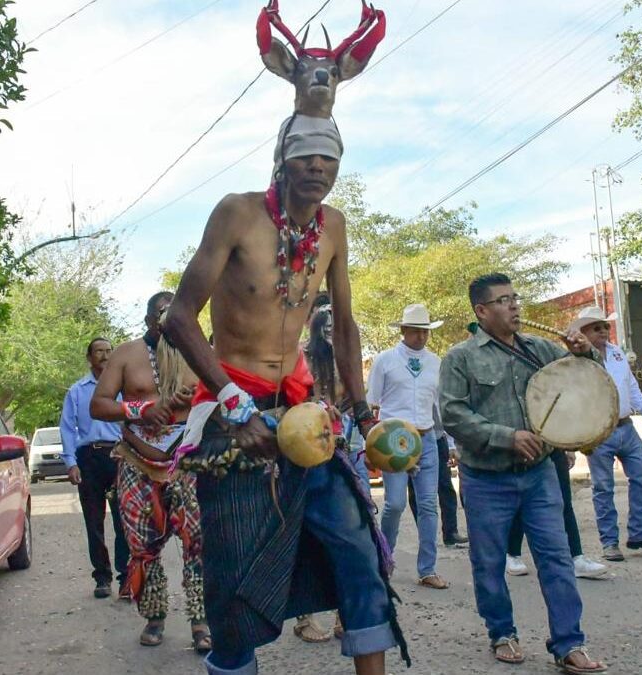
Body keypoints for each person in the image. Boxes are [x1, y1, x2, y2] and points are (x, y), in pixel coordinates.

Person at [162, 114, 408, 675]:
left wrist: (364, 414)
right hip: (232, 415)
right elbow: (180, 317)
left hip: (304, 415)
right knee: (231, 579)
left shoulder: (334, 227)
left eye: (329, 158)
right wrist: (232, 402)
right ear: (283, 159)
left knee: (358, 549)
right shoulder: (236, 213)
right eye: (306, 156)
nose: (317, 167)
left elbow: (345, 326)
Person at [440, 273, 607, 673]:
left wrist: (586, 354)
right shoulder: (460, 358)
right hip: (485, 478)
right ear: (481, 311)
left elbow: (585, 381)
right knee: (489, 562)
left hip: (539, 475)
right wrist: (505, 436)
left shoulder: (543, 349)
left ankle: (569, 643)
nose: (514, 306)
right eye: (502, 300)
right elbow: (453, 414)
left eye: (515, 298)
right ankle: (501, 632)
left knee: (556, 558)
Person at [90, 292, 211, 651]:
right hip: (137, 462)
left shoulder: (200, 351)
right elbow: (99, 404)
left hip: (187, 460)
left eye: (177, 314)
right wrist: (140, 409)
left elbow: (223, 394)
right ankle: (155, 616)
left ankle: (201, 621)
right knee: (142, 545)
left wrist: (200, 398)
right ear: (148, 321)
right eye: (162, 314)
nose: (170, 320)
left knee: (198, 543)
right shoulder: (127, 354)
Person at [293, 298, 372, 643]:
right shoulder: (300, 358)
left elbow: (357, 403)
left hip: (344, 452)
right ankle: (304, 617)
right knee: (306, 535)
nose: (329, 331)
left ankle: (347, 614)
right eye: (324, 326)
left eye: (333, 327)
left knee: (354, 533)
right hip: (306, 452)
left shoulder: (346, 363)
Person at [574, 307, 642, 562]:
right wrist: (583, 435)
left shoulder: (617, 354)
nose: (603, 331)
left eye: (605, 326)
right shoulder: (577, 361)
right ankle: (610, 542)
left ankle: (639, 533)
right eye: (596, 328)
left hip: (626, 426)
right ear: (583, 332)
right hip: (598, 430)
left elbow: (631, 384)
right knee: (603, 487)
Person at [367, 303, 449, 590]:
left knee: (428, 503)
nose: (421, 337)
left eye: (425, 332)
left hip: (426, 438)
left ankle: (428, 568)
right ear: (403, 331)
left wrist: (448, 443)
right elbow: (372, 401)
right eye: (415, 331)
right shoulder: (385, 361)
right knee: (395, 503)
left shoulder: (435, 363)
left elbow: (440, 406)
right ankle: (383, 559)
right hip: (393, 440)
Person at [59, 337, 128, 599]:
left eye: (109, 351)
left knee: (124, 521)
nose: (105, 355)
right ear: (89, 357)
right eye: (99, 351)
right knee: (93, 521)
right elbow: (67, 427)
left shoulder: (124, 388)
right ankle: (102, 577)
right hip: (88, 459)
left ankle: (125, 577)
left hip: (120, 457)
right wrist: (71, 463)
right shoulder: (77, 391)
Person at [505, 448, 608, 579]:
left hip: (553, 446)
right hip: (523, 444)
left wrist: (569, 448)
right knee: (522, 499)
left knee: (563, 501)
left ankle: (576, 558)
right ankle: (513, 554)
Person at [407, 403, 469, 548]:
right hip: (411, 438)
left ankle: (451, 533)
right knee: (416, 490)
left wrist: (451, 445)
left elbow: (443, 416)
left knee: (446, 486)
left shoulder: (436, 382)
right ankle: (426, 534)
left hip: (438, 438)